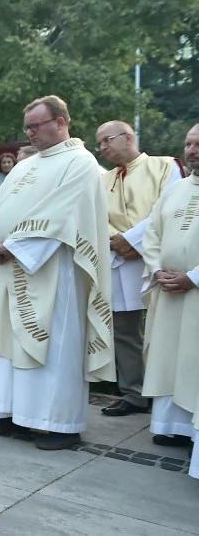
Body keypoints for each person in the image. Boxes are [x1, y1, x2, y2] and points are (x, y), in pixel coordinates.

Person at [0, 95, 114, 450]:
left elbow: (62, 213)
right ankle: (11, 415)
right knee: (9, 343)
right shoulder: (26, 165)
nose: (30, 133)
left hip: (54, 271)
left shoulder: (80, 162)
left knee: (55, 345)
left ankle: (61, 424)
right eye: (28, 127)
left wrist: (15, 245)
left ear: (61, 121)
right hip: (9, 266)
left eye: (36, 126)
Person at [95, 120, 182, 416]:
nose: (102, 148)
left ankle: (165, 393)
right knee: (124, 329)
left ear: (127, 136)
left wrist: (132, 240)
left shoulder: (164, 166)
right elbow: (94, 215)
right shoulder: (102, 179)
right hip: (118, 261)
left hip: (155, 259)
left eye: (106, 141)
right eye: (100, 144)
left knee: (161, 328)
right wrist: (116, 241)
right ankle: (133, 392)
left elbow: (166, 209)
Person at [140, 123, 199, 476]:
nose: (193, 151)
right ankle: (170, 427)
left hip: (195, 294)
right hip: (168, 291)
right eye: (189, 144)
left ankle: (194, 429)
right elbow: (152, 232)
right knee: (168, 358)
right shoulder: (175, 190)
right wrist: (158, 268)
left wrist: (192, 277)